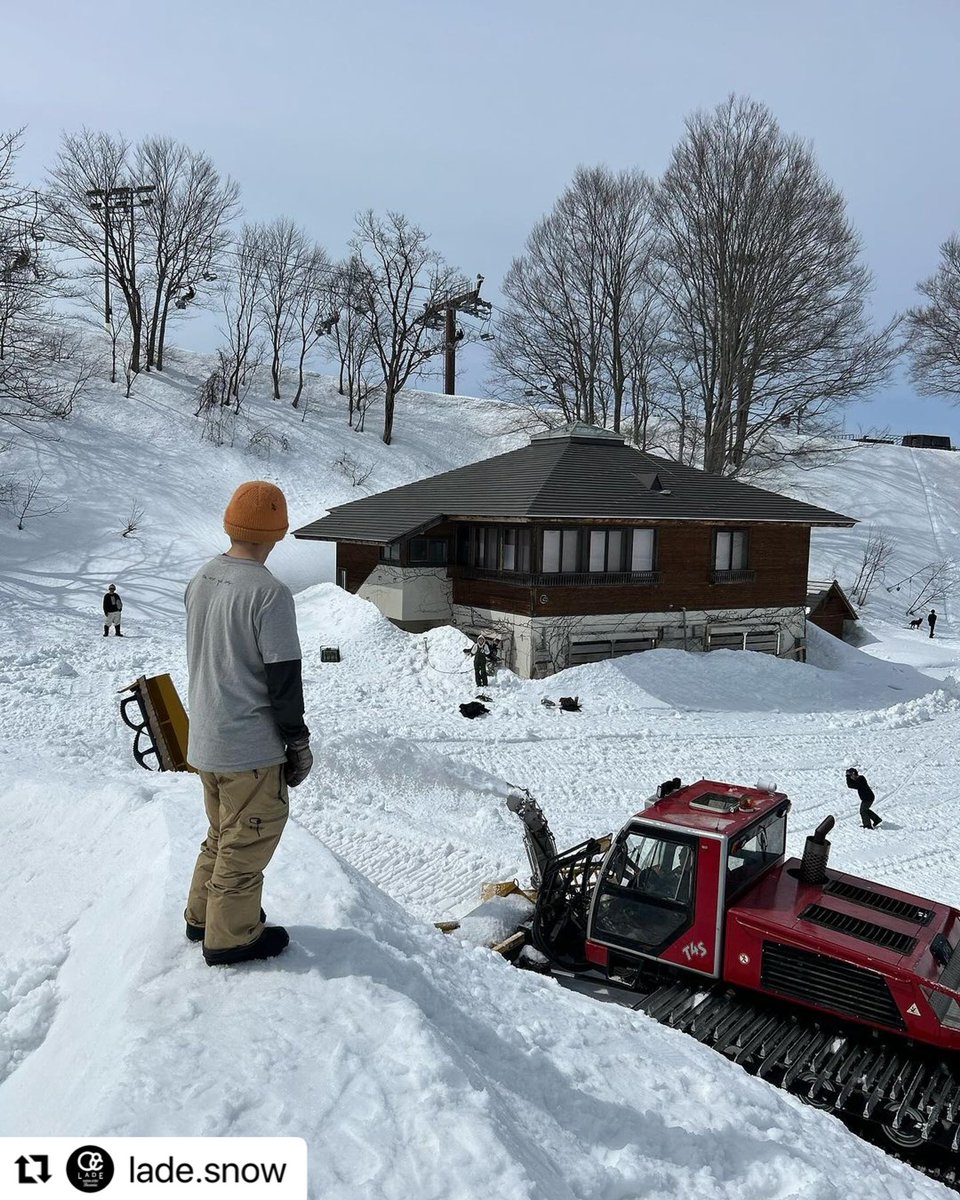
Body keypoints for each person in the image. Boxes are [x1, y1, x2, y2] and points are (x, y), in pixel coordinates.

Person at [183, 481, 313, 967]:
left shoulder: (203, 578)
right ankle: (232, 937)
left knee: (221, 833)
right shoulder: (268, 593)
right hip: (249, 748)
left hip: (207, 739)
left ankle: (202, 917)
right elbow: (282, 679)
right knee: (248, 839)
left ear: (229, 522)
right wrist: (297, 741)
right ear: (277, 534)